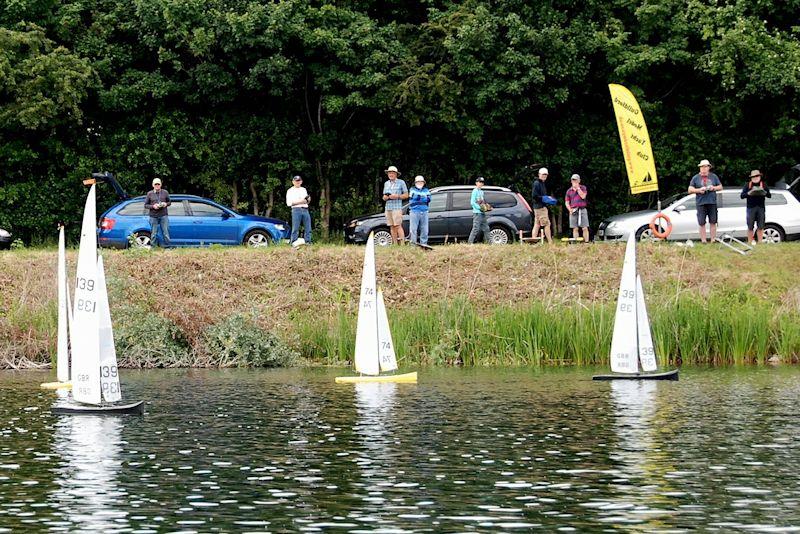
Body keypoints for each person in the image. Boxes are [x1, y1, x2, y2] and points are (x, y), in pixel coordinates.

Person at [688, 159, 722, 243]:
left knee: (713, 221)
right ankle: (703, 240)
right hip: (701, 203)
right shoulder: (695, 178)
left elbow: (720, 187)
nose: (703, 168)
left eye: (705, 166)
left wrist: (713, 188)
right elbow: (690, 189)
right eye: (702, 167)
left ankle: (713, 239)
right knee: (701, 222)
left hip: (712, 202)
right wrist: (699, 190)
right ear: (699, 168)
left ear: (709, 167)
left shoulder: (713, 176)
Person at [740, 169, 771, 244]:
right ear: (751, 178)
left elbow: (769, 195)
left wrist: (764, 192)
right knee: (750, 226)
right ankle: (750, 242)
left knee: (761, 226)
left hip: (761, 208)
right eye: (753, 176)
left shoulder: (763, 184)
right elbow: (742, 196)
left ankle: (760, 242)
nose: (755, 178)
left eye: (757, 176)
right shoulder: (747, 185)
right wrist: (749, 193)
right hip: (750, 208)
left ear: (760, 176)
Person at [382, 165, 408, 245]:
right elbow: (383, 197)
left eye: (393, 173)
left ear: (396, 174)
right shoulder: (386, 183)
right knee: (391, 226)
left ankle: (403, 244)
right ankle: (395, 244)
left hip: (397, 207)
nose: (391, 174)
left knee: (398, 225)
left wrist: (397, 196)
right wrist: (385, 197)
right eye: (389, 173)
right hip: (388, 207)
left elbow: (407, 195)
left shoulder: (401, 182)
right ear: (387, 174)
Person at [144, 178, 171, 248]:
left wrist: (165, 204)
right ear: (153, 185)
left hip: (163, 215)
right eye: (155, 184)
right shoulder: (149, 193)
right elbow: (145, 205)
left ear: (161, 185)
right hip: (153, 216)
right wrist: (153, 206)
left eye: (158, 184)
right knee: (154, 233)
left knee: (166, 232)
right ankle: (153, 247)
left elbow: (169, 202)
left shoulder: (165, 192)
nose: (157, 185)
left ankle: (167, 247)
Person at [286, 175, 312, 245]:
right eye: (296, 181)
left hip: (305, 209)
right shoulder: (290, 191)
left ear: (301, 182)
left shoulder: (303, 189)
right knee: (295, 228)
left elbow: (306, 200)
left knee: (308, 227)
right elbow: (289, 203)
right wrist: (301, 201)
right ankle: (293, 242)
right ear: (293, 182)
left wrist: (308, 200)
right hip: (296, 210)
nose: (297, 182)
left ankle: (308, 242)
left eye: (299, 181)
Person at [564, 174, 589, 242]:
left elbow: (583, 196)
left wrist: (578, 188)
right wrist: (570, 209)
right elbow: (567, 202)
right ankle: (576, 242)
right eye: (573, 180)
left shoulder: (583, 187)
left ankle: (586, 242)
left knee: (584, 227)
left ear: (579, 181)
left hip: (582, 209)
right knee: (575, 228)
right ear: (571, 181)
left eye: (576, 180)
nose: (574, 181)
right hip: (573, 210)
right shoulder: (569, 191)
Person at [530, 167, 553, 243]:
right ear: (539, 174)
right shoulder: (537, 183)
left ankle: (533, 240)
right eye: (543, 174)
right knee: (546, 224)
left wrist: (547, 198)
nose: (544, 176)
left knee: (537, 224)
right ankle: (550, 242)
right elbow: (534, 196)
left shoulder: (542, 183)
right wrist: (544, 198)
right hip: (540, 207)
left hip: (538, 207)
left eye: (546, 175)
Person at [408, 175, 431, 245]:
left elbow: (429, 199)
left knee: (425, 230)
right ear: (415, 183)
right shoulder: (412, 189)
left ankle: (424, 244)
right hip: (414, 212)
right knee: (413, 230)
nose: (420, 183)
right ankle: (413, 245)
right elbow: (414, 197)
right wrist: (422, 196)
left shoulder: (426, 190)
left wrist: (420, 196)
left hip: (424, 212)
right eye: (418, 182)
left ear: (424, 183)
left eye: (421, 182)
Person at [468, 177, 491, 244]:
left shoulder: (481, 192)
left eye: (482, 182)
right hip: (477, 213)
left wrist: (487, 207)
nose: (481, 183)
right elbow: (472, 202)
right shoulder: (474, 191)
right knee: (475, 229)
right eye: (479, 182)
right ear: (476, 183)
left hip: (482, 213)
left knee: (486, 228)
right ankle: (470, 243)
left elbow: (482, 202)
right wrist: (479, 208)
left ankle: (489, 243)